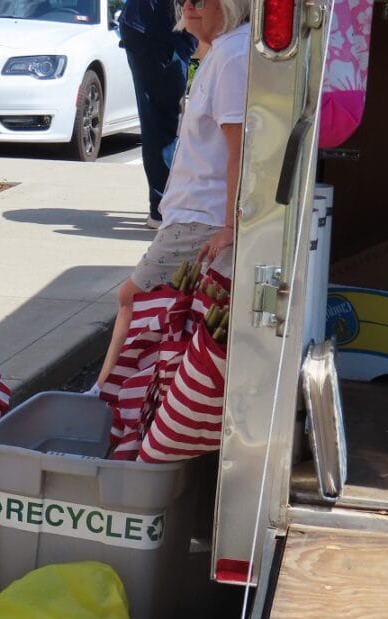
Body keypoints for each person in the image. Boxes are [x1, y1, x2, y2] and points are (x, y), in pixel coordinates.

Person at [93, 0, 249, 392]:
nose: (188, 7)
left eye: (200, 0)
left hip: (202, 218)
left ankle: (103, 398)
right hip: (199, 215)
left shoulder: (231, 56)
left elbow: (240, 149)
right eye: (184, 0)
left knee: (134, 298)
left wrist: (230, 225)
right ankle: (131, 398)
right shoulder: (224, 50)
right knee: (176, 317)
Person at [119, 0, 197, 230]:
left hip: (156, 29)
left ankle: (166, 205)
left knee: (163, 121)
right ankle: (162, 209)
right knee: (162, 123)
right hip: (156, 32)